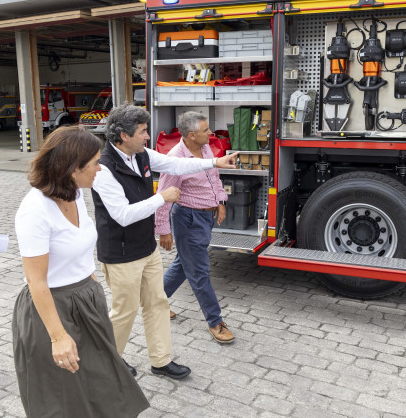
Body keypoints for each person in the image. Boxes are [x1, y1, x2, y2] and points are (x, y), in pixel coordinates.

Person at [91, 104, 238, 380]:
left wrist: (214, 162)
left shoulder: (141, 154)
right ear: (123, 135)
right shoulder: (103, 169)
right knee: (125, 311)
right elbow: (122, 215)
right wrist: (163, 198)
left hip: (146, 248)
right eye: (143, 132)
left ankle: (160, 361)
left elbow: (175, 163)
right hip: (121, 252)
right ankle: (109, 362)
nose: (148, 137)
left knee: (157, 303)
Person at [13, 126, 149, 417]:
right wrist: (58, 336)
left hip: (86, 300)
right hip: (52, 309)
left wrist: (90, 280)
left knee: (104, 382)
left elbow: (81, 243)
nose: (100, 169)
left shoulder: (74, 194)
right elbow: (36, 281)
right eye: (95, 163)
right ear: (72, 168)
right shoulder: (34, 210)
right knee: (63, 396)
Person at [155, 112, 234, 344]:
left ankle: (154, 303)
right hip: (188, 220)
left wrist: (220, 201)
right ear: (191, 135)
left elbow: (214, 177)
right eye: (205, 130)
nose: (211, 133)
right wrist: (163, 229)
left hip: (205, 218)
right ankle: (215, 321)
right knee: (199, 273)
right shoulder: (175, 160)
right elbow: (165, 195)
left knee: (183, 264)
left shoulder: (206, 148)